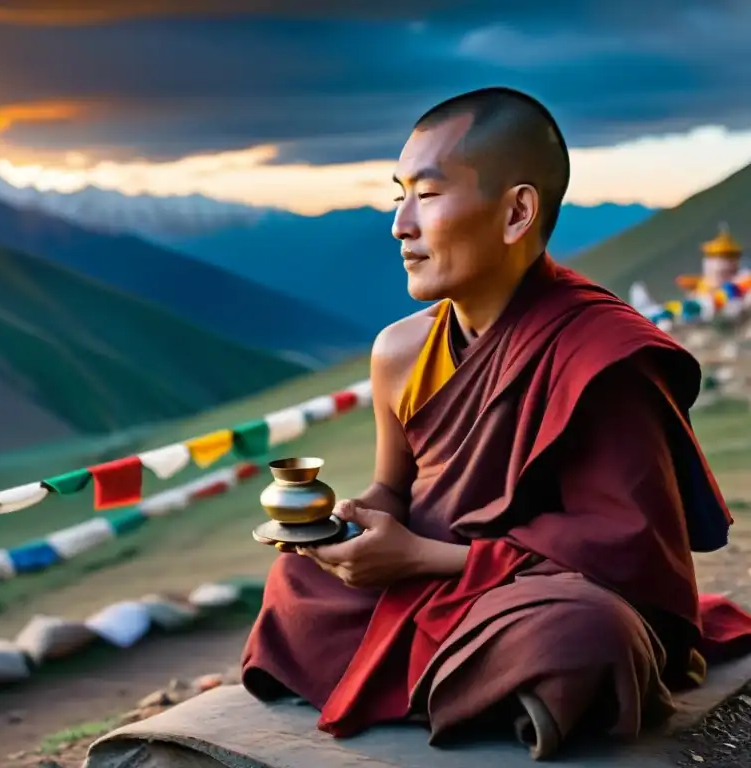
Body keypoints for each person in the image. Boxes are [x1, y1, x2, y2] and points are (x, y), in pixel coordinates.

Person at [240, 87, 751, 760]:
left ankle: (470, 680)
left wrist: (421, 556)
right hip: (438, 588)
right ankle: (486, 692)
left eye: (425, 195)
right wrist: (357, 525)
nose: (400, 224)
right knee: (299, 584)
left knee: (584, 635)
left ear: (516, 212)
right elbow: (397, 490)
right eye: (399, 194)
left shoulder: (602, 354)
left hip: (535, 599)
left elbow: (623, 557)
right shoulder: (399, 350)